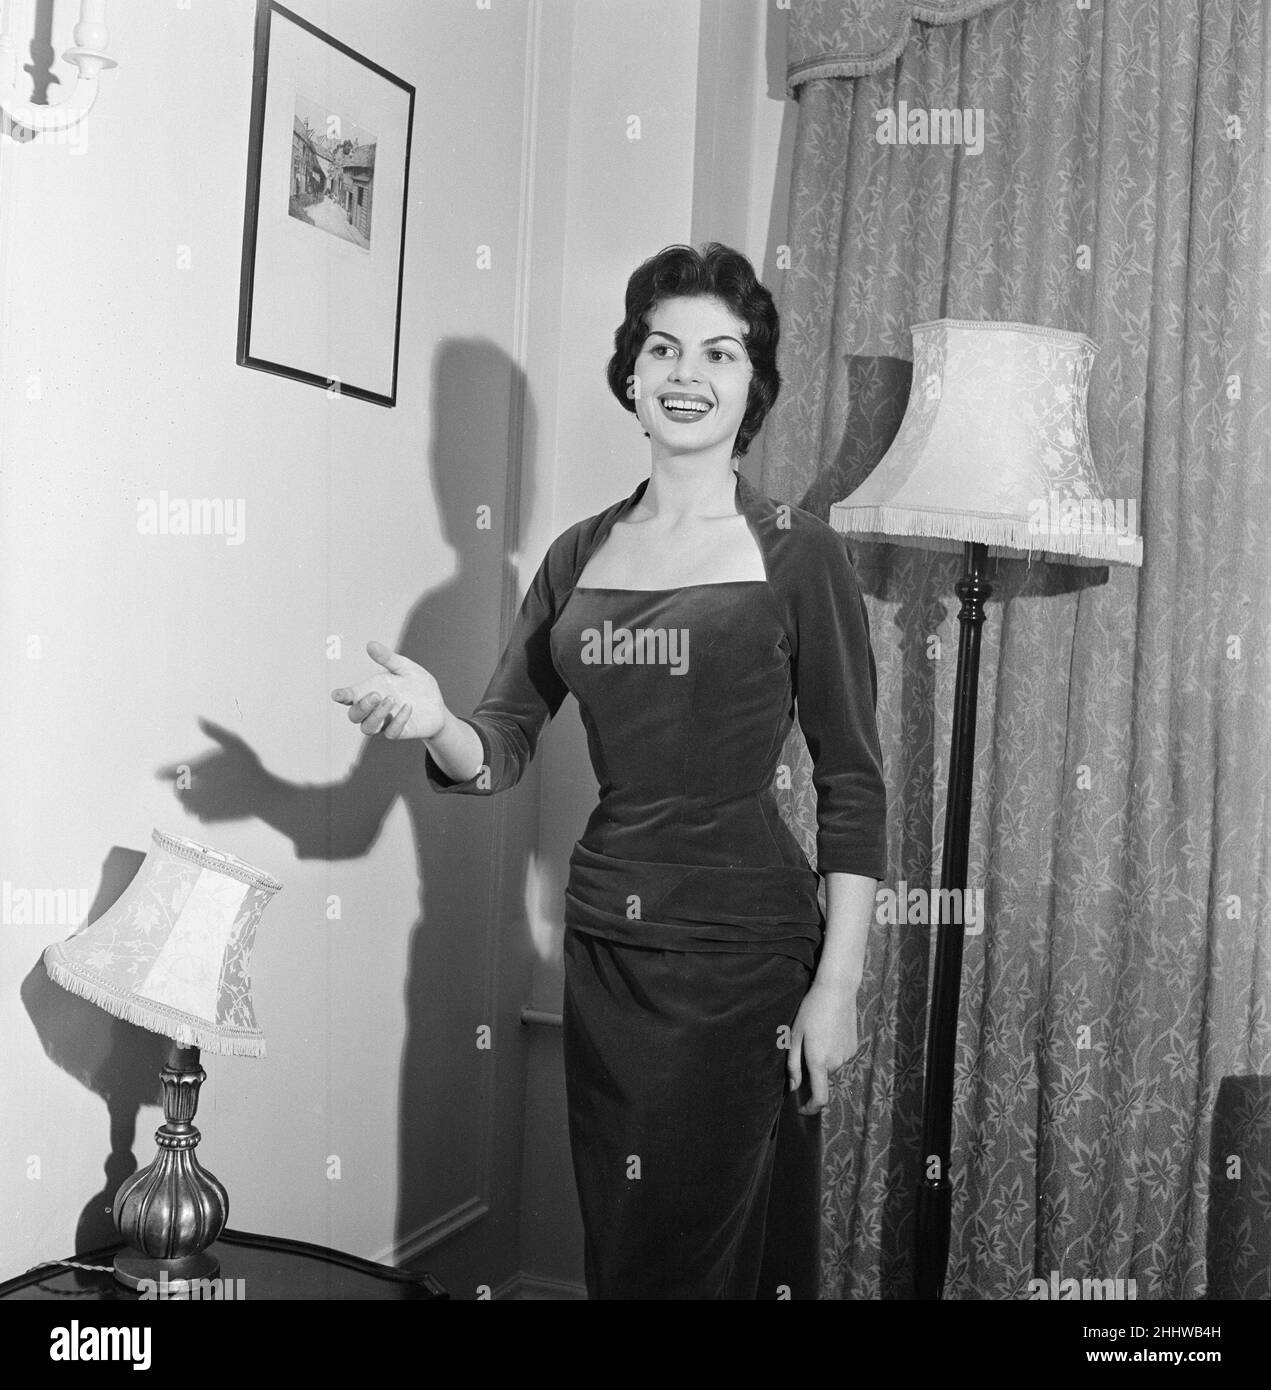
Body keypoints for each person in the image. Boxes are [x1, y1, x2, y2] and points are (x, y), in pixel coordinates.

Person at [331, 243, 887, 1299]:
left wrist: (838, 984)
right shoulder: (576, 556)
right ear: (629, 373)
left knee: (713, 1257)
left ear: (750, 385)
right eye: (662, 347)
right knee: (629, 1254)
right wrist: (436, 716)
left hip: (743, 961)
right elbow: (495, 747)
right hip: (607, 951)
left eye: (717, 354)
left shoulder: (796, 552)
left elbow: (851, 781)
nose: (686, 372)